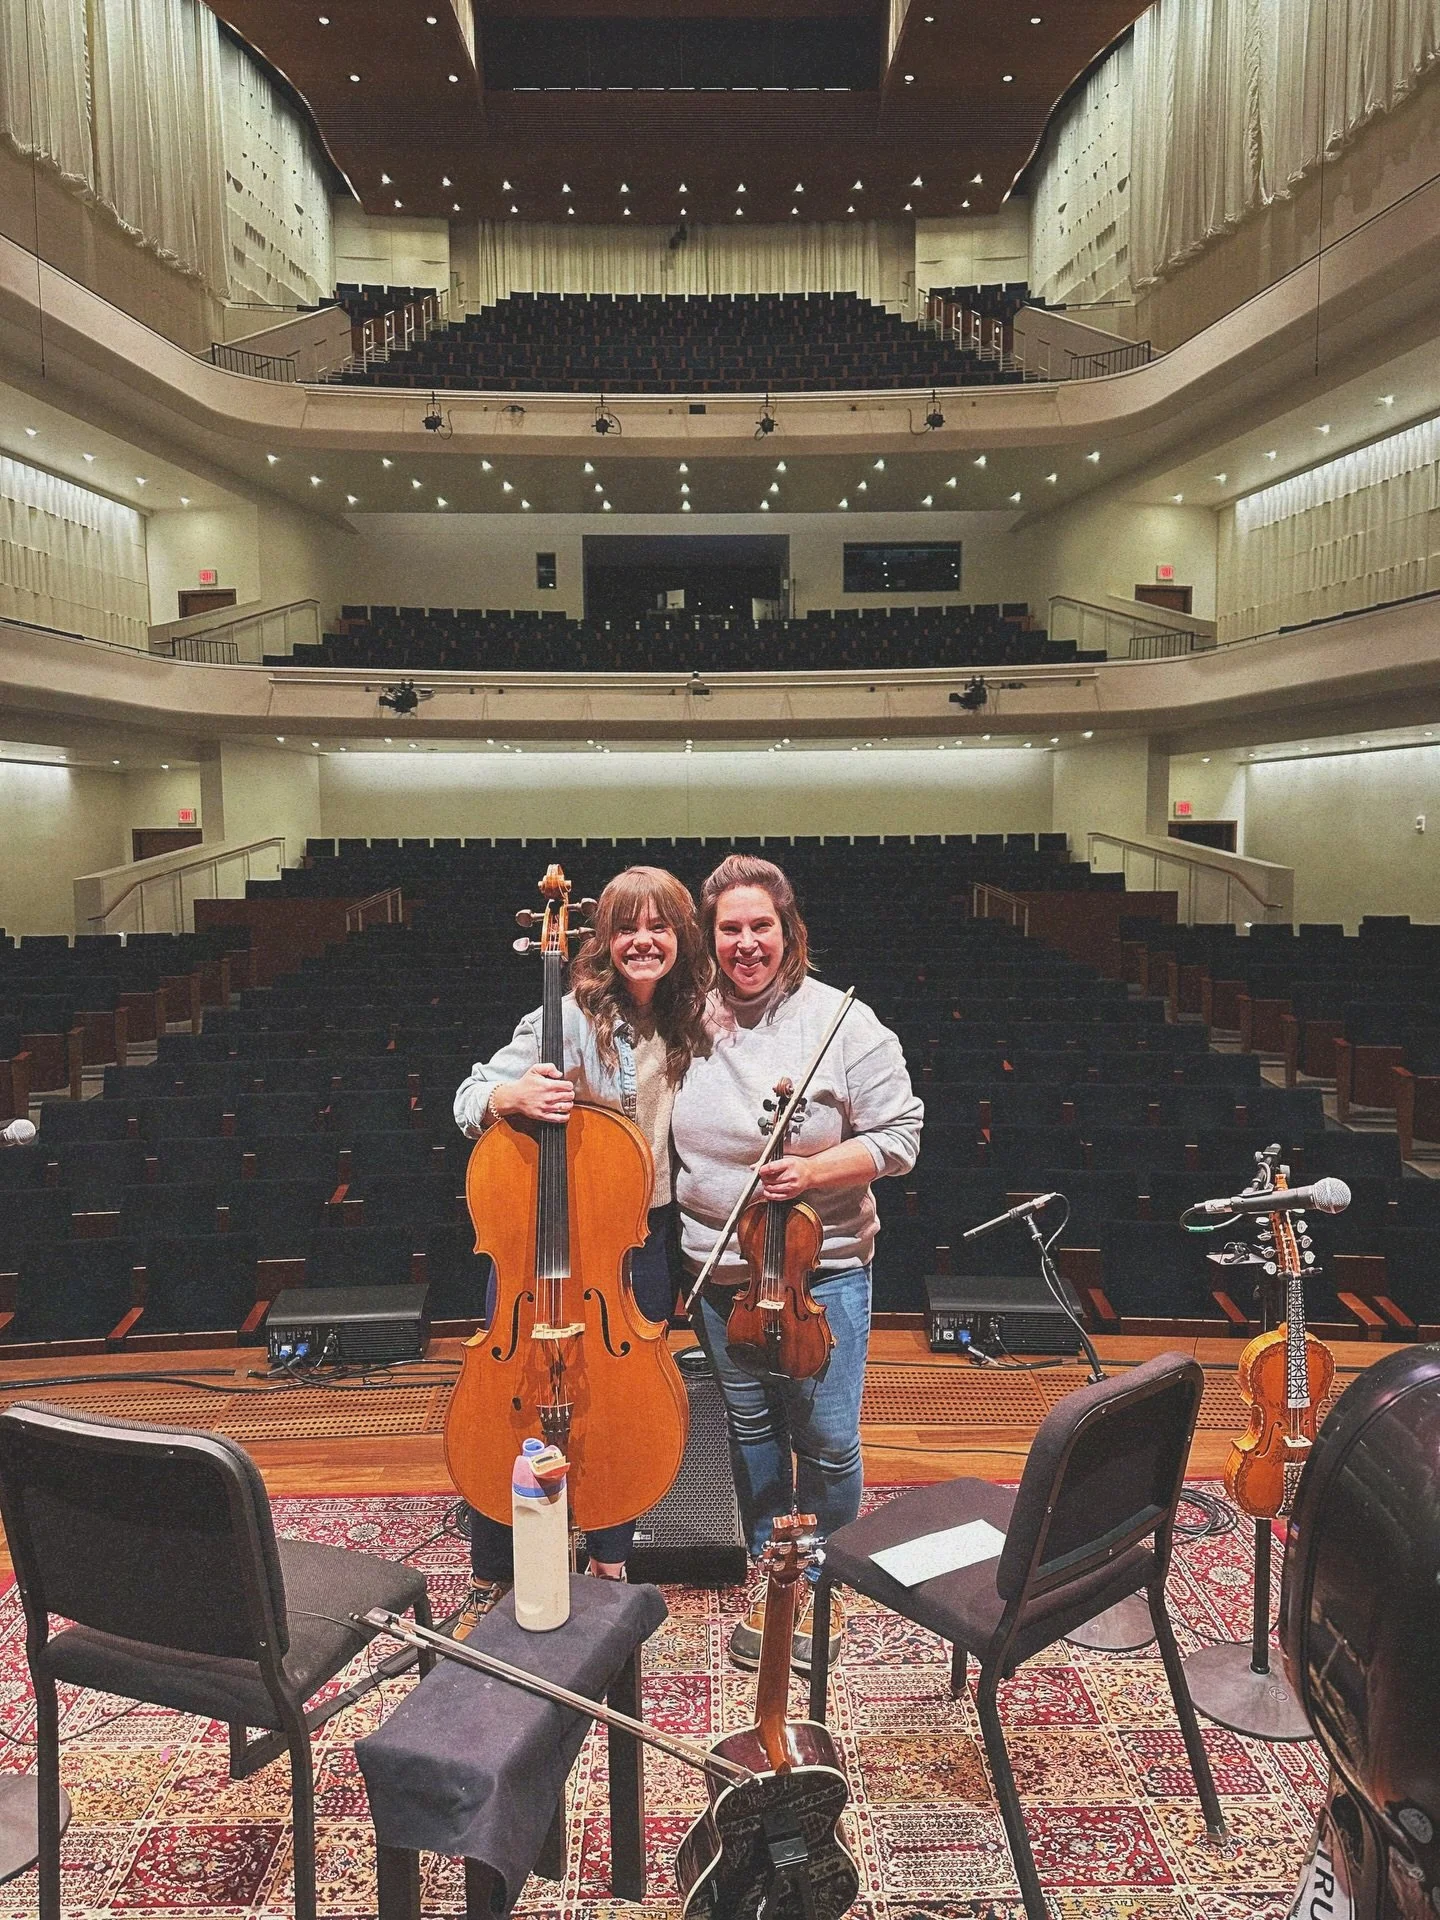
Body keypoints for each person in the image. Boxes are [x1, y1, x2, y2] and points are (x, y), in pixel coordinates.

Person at [672, 853, 923, 1672]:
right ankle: (768, 1562)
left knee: (825, 1439)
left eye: (760, 927)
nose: (747, 944)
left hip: (826, 1275)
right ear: (710, 940)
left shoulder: (845, 1023)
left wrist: (814, 1172)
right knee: (748, 1429)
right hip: (721, 1273)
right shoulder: (686, 1019)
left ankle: (824, 1573)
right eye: (730, 930)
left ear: (789, 932)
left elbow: (901, 1140)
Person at [452, 865, 711, 1628]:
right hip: (544, 1249)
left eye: (658, 926)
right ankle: (501, 1565)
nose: (642, 940)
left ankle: (609, 1554)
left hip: (638, 1239)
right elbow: (469, 1094)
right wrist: (509, 1096)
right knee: (521, 1396)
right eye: (626, 927)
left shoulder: (697, 1018)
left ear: (678, 938)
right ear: (602, 940)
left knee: (619, 1401)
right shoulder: (560, 1018)